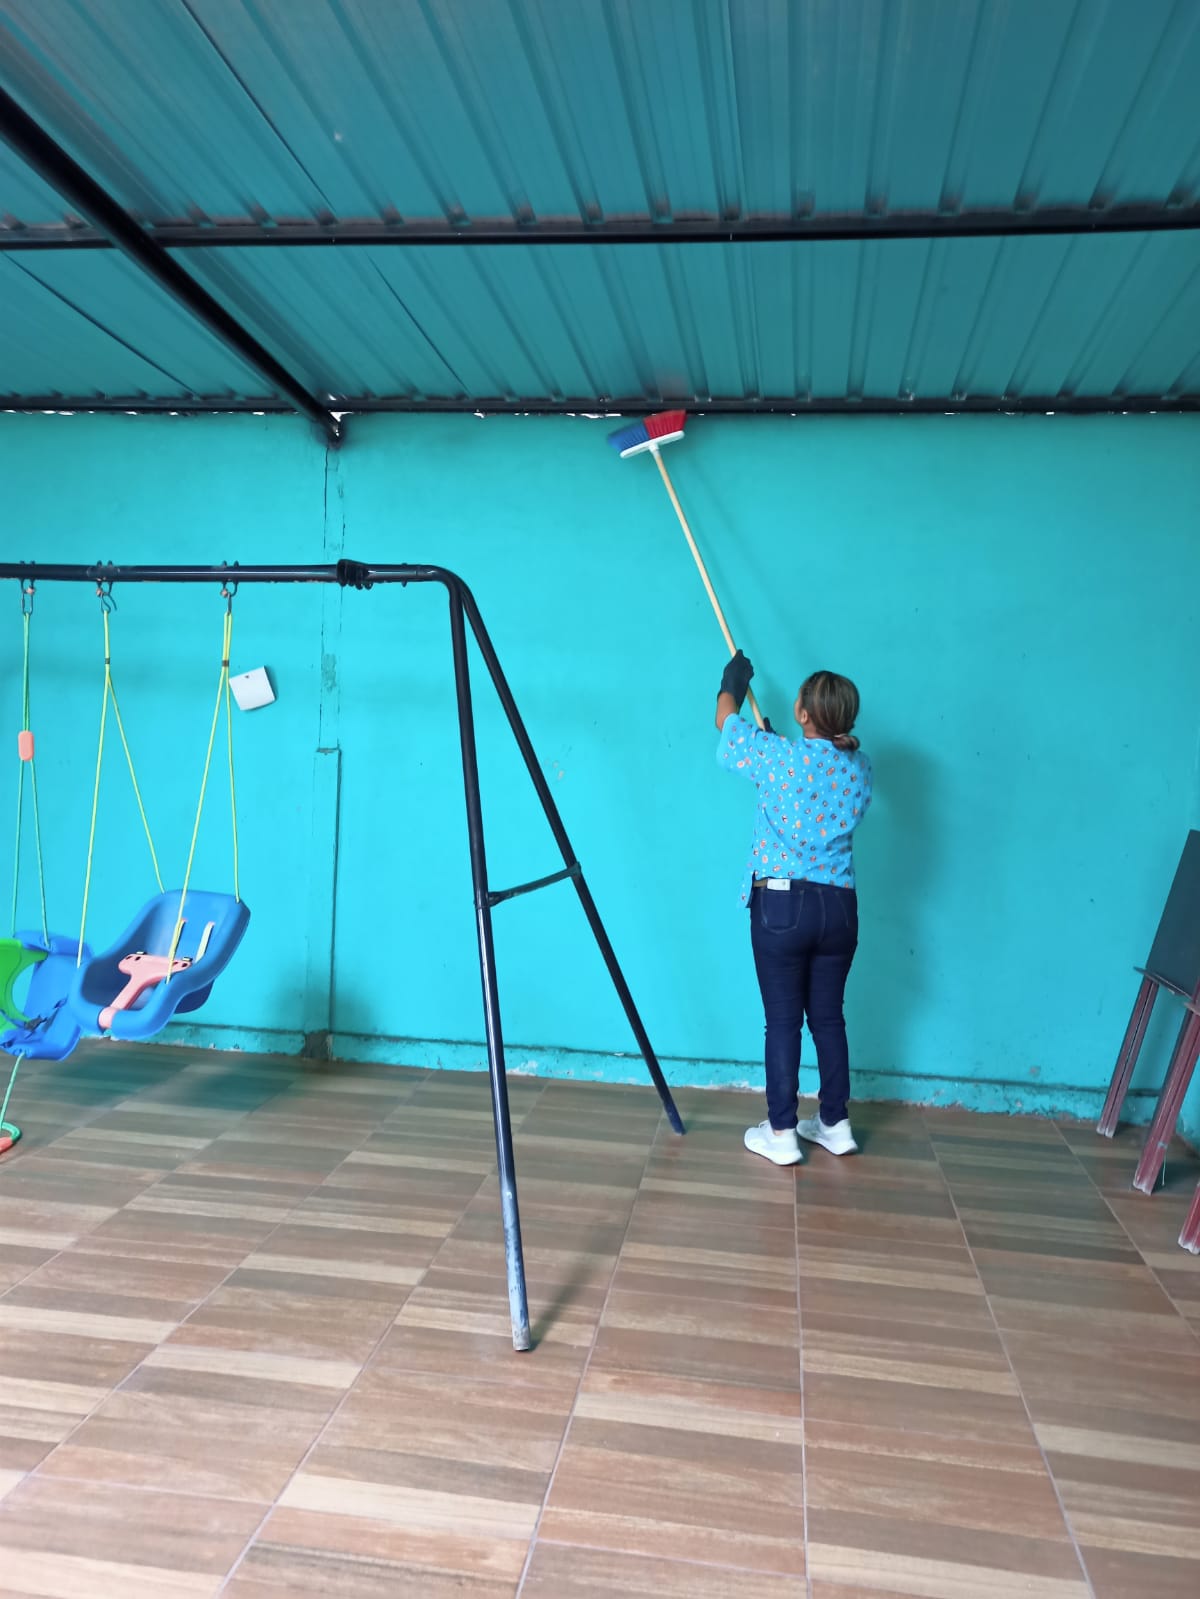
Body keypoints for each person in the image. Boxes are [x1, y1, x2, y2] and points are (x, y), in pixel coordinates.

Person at [716, 651, 872, 1165]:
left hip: (782, 906)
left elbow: (725, 723)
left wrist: (732, 682)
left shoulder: (777, 757)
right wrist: (777, 744)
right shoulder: (859, 769)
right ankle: (835, 1124)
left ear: (803, 712)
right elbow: (816, 779)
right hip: (838, 909)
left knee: (782, 1022)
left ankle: (782, 1131)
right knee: (828, 1018)